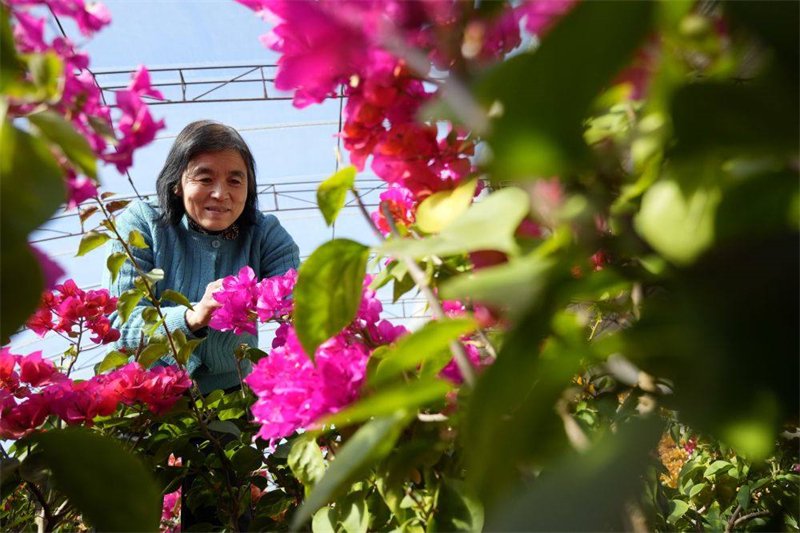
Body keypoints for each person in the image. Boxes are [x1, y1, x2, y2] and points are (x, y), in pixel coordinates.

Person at [104, 120, 300, 395]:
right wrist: (192, 317)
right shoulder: (142, 224)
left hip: (232, 399)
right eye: (205, 179)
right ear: (177, 184)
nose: (221, 194)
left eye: (235, 180)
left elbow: (297, 306)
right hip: (147, 395)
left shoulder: (266, 234)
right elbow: (121, 326)